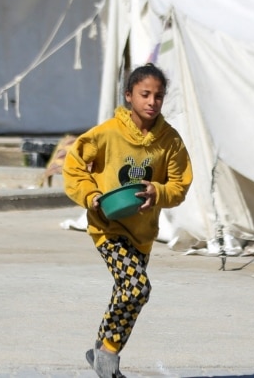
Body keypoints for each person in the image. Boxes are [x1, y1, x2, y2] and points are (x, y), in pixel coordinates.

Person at [64, 63, 193, 378]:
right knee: (137, 288)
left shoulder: (170, 141)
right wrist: (91, 196)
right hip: (107, 227)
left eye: (158, 96)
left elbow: (180, 185)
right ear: (128, 96)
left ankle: (100, 346)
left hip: (142, 232)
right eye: (144, 94)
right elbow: (74, 163)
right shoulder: (108, 133)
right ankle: (108, 359)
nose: (152, 102)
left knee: (127, 291)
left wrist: (158, 191)